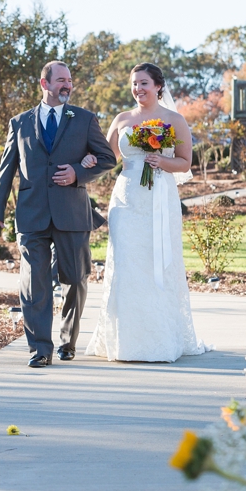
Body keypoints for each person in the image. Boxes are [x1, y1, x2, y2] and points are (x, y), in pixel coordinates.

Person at [0, 61, 117, 368]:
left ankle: (68, 340)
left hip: (72, 212)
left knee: (75, 280)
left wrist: (78, 173)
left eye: (69, 80)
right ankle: (40, 349)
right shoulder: (19, 123)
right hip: (32, 215)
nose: (67, 85)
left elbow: (107, 158)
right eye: (61, 80)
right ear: (44, 84)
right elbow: (6, 170)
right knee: (35, 284)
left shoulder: (84, 119)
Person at [84, 63, 211, 362]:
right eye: (134, 84)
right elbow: (109, 157)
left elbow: (184, 163)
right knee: (126, 262)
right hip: (127, 198)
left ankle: (161, 338)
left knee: (159, 262)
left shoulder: (174, 120)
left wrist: (160, 160)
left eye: (144, 83)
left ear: (158, 86)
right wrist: (90, 159)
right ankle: (125, 342)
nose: (138, 89)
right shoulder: (123, 119)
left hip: (160, 199)